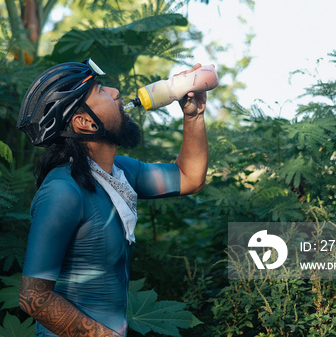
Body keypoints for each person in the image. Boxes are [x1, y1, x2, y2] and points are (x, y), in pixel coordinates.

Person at [16, 58, 209, 337]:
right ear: (84, 122)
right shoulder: (63, 191)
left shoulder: (121, 173)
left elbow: (190, 177)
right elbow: (33, 297)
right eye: (101, 91)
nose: (116, 92)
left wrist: (194, 115)